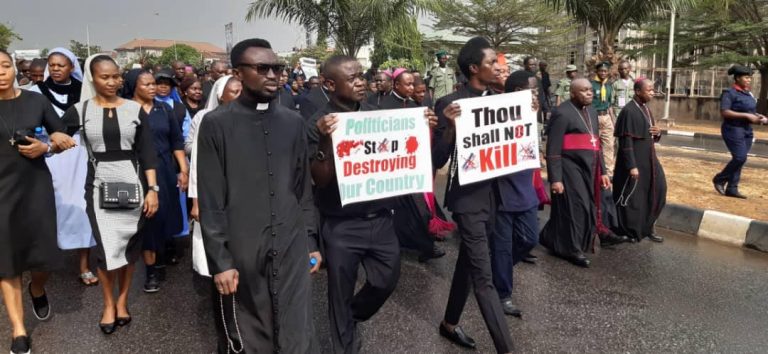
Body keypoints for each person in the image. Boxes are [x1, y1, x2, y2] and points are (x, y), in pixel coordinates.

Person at [197, 38, 320, 353]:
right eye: (262, 68)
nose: (273, 75)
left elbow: (302, 188)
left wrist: (312, 241)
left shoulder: (292, 122)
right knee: (249, 333)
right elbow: (210, 199)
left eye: (276, 68)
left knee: (297, 330)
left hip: (291, 241)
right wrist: (220, 261)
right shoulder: (216, 124)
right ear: (238, 73)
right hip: (243, 246)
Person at [309, 55, 437, 353]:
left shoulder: (374, 114)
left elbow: (401, 157)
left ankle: (351, 316)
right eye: (351, 78)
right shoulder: (315, 123)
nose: (361, 82)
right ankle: (345, 342)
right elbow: (320, 180)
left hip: (380, 218)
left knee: (386, 280)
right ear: (330, 84)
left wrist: (426, 128)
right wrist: (325, 142)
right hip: (341, 224)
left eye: (361, 76)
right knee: (339, 293)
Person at [61, 54, 159, 334]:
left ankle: (123, 300)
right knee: (106, 252)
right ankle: (107, 304)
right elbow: (55, 135)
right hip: (98, 187)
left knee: (128, 248)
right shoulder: (79, 111)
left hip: (135, 185)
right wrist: (50, 144)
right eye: (105, 77)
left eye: (116, 76)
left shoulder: (134, 109)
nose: (113, 81)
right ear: (93, 79)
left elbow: (148, 153)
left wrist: (153, 190)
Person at [431, 37, 514, 353]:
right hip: (467, 201)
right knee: (484, 277)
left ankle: (449, 323)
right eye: (493, 62)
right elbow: (437, 160)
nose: (499, 66)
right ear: (474, 68)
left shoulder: (499, 100)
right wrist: (450, 128)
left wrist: (526, 114)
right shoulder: (451, 103)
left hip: (493, 196)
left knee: (469, 261)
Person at [0, 48, 77, 354]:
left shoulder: (36, 100)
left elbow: (60, 135)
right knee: (7, 261)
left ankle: (38, 287)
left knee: (43, 255)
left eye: (5, 65)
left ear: (11, 69)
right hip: (1, 191)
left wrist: (46, 148)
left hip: (35, 186)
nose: (0, 72)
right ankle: (18, 331)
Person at [28, 48, 99, 286]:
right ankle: (46, 260)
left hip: (78, 154)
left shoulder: (84, 92)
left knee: (81, 204)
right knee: (51, 206)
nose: (56, 69)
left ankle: (84, 265)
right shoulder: (35, 93)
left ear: (71, 67)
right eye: (52, 65)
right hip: (47, 155)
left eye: (61, 65)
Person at [122, 69, 189, 292]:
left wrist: (183, 169)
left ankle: (160, 254)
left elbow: (176, 141)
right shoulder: (124, 109)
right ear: (134, 87)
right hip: (137, 171)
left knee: (163, 216)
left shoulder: (164, 109)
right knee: (146, 218)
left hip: (164, 169)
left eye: (154, 84)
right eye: (147, 84)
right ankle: (150, 270)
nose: (153, 88)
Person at [540, 79, 615, 268]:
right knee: (576, 207)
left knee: (586, 206)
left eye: (590, 90)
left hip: (588, 167)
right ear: (573, 93)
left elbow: (595, 144)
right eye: (584, 91)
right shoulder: (562, 112)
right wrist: (555, 179)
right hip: (568, 167)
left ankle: (551, 237)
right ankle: (572, 249)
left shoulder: (591, 111)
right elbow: (553, 149)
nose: (590, 93)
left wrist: (603, 172)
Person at [379, 68, 448, 263]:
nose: (411, 88)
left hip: (412, 164)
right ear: (396, 85)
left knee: (420, 207)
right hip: (393, 166)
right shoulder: (384, 106)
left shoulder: (416, 104)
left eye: (413, 84)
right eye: (407, 84)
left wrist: (430, 125)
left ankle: (426, 245)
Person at [488, 70, 541, 319]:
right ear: (516, 91)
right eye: (530, 90)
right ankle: (502, 293)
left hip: (523, 186)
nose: (534, 94)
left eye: (536, 90)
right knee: (501, 247)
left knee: (529, 238)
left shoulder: (532, 111)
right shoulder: (490, 108)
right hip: (499, 189)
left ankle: (498, 270)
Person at [186, 75, 242, 278]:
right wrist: (196, 202)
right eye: (234, 92)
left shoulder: (250, 117)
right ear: (220, 96)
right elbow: (198, 164)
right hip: (215, 190)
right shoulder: (206, 118)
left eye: (242, 91)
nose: (240, 96)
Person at [614, 78, 667, 243]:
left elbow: (649, 135)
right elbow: (625, 141)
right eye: (649, 90)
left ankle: (647, 226)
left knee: (658, 189)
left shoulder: (645, 108)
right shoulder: (629, 111)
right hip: (634, 162)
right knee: (632, 196)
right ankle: (629, 230)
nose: (652, 93)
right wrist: (632, 166)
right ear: (638, 91)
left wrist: (658, 132)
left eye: (653, 90)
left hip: (649, 159)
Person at [713, 65, 768, 199]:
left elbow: (749, 111)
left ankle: (732, 188)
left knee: (740, 160)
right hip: (733, 129)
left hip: (747, 130)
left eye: (750, 78)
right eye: (746, 77)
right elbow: (725, 112)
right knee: (740, 157)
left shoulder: (748, 93)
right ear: (737, 78)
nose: (749, 80)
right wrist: (746, 116)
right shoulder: (729, 93)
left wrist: (759, 116)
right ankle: (719, 179)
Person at [591, 61, 616, 177]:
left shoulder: (609, 86)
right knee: (593, 145)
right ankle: (593, 171)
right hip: (594, 116)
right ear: (597, 71)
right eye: (601, 71)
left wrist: (613, 120)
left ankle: (609, 172)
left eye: (605, 71)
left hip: (606, 117)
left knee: (609, 145)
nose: (603, 73)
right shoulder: (591, 85)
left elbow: (609, 104)